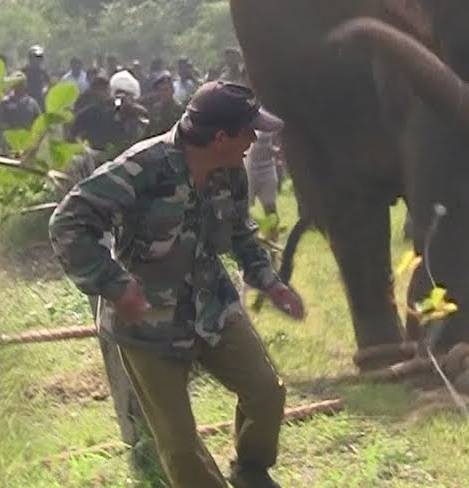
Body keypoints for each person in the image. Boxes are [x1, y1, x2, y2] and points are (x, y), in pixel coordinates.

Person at [49, 80, 305, 488]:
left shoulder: (231, 172)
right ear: (221, 136)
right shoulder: (142, 168)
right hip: (147, 323)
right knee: (180, 446)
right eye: (247, 131)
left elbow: (240, 233)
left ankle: (251, 471)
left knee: (266, 392)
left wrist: (269, 282)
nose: (254, 139)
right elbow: (67, 221)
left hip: (213, 306)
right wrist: (114, 284)